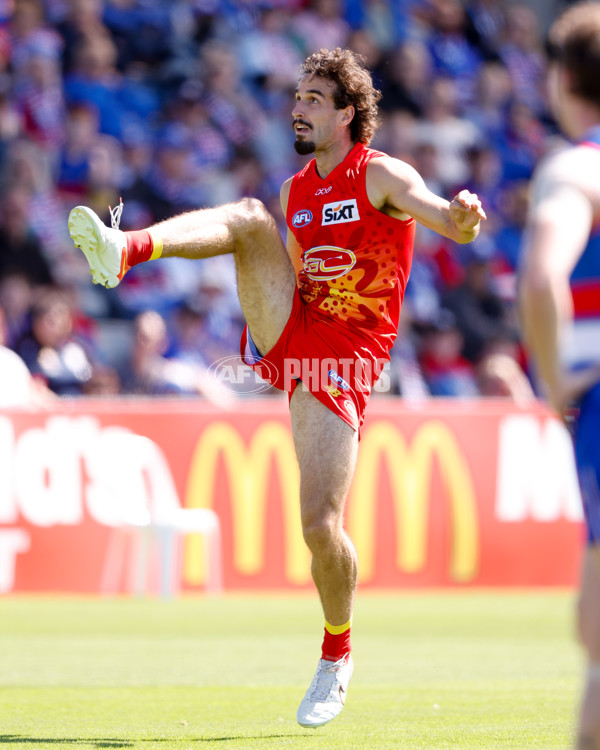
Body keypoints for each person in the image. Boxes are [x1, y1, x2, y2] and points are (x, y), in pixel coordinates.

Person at [68, 47, 485, 729]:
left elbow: (441, 216)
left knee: (321, 527)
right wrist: (267, 335)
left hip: (346, 363)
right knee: (249, 218)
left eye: (314, 99)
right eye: (297, 97)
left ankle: (336, 654)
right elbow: (287, 271)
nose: (298, 107)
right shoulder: (297, 191)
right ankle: (126, 249)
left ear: (348, 113)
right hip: (294, 333)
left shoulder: (380, 173)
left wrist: (462, 217)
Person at [518, 5, 600, 748]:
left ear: (563, 77)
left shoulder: (578, 167)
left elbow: (543, 275)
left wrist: (554, 384)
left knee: (598, 639)